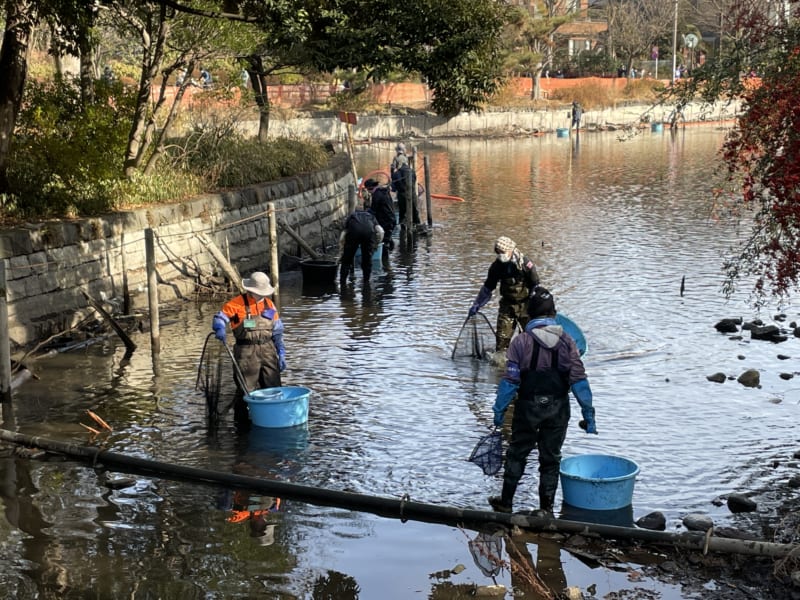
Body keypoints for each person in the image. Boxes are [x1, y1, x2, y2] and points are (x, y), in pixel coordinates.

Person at [488, 286, 597, 515]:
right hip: (558, 409)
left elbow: (510, 383)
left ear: (529, 313)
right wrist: (588, 415)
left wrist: (499, 411)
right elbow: (579, 381)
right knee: (551, 459)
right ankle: (546, 509)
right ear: (553, 313)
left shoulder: (520, 342)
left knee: (517, 453)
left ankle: (505, 502)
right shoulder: (568, 342)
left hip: (527, 408)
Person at [211, 271, 286, 425]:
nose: (261, 295)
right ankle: (242, 424)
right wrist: (219, 327)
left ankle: (272, 419)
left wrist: (281, 351)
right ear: (250, 290)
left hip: (268, 350)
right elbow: (220, 317)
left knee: (273, 387)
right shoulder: (236, 304)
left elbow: (277, 330)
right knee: (246, 390)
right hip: (245, 353)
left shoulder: (269, 305)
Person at [468, 236, 540, 352]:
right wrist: (477, 304)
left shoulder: (525, 264)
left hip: (526, 305)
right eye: (498, 252)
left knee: (529, 340)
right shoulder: (496, 267)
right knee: (502, 340)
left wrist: (535, 304)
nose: (500, 255)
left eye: (502, 252)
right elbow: (488, 287)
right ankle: (501, 367)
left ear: (510, 250)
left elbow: (535, 284)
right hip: (507, 306)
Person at [339, 206, 384, 287]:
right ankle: (366, 283)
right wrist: (377, 243)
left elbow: (343, 235)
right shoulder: (371, 216)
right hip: (368, 232)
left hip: (353, 233)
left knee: (346, 260)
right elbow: (381, 231)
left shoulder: (351, 216)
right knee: (367, 260)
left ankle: (342, 283)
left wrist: (342, 248)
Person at [363, 178, 396, 257]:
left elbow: (373, 211)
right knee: (387, 237)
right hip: (391, 219)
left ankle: (385, 261)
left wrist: (363, 213)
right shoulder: (384, 191)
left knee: (384, 242)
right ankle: (390, 256)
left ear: (369, 189)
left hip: (386, 221)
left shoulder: (376, 195)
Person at [391, 154, 421, 227]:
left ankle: (403, 232)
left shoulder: (395, 174)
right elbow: (414, 183)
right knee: (415, 215)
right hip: (412, 195)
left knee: (402, 216)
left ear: (398, 163)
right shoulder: (412, 171)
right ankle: (416, 230)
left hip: (401, 197)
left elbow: (394, 189)